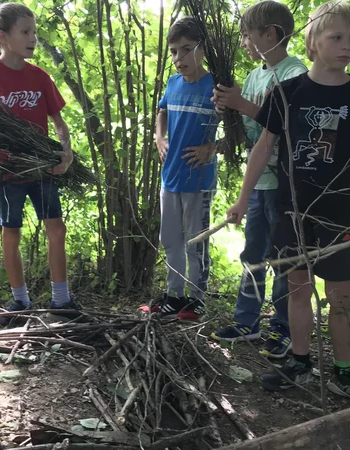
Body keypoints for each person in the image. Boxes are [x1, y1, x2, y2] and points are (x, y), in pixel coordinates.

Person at [226, 0, 350, 404]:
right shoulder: (288, 92)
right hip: (292, 211)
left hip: (337, 214)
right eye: (337, 37)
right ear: (313, 42)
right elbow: (263, 149)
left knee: (341, 298)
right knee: (297, 291)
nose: (347, 45)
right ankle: (299, 362)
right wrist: (241, 199)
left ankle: (343, 371)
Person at [0, 2, 80, 327]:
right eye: (25, 32)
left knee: (56, 228)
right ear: (3, 36)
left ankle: (61, 301)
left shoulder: (39, 76)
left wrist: (66, 153)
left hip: (43, 166)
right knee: (10, 231)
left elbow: (60, 124)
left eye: (34, 32)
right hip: (6, 168)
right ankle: (20, 302)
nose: (33, 38)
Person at [209, 0, 308, 359]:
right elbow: (251, 132)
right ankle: (246, 321)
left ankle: (282, 327)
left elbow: (284, 126)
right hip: (258, 184)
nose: (243, 43)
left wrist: (243, 105)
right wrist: (227, 109)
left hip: (283, 184)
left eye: (247, 35)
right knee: (253, 252)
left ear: (270, 34)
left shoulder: (295, 72)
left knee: (282, 257)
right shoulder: (255, 76)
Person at [152, 17, 220, 321]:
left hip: (198, 180)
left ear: (202, 49)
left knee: (195, 241)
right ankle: (174, 296)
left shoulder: (216, 87)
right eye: (174, 52)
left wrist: (211, 149)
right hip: (171, 177)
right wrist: (159, 136)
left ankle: (196, 299)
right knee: (171, 240)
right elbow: (161, 111)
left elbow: (237, 132)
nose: (179, 59)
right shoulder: (172, 83)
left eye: (187, 49)